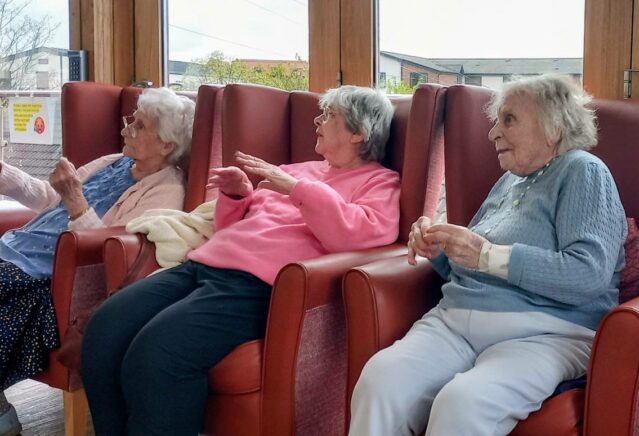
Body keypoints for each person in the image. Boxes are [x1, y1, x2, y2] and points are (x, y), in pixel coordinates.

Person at [80, 85, 400, 436]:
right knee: (105, 327)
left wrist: (295, 188)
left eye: (329, 116)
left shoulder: (379, 182)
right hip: (205, 264)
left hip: (256, 286)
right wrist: (236, 197)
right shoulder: (301, 169)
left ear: (358, 133)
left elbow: (362, 234)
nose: (317, 121)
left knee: (158, 353)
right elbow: (232, 229)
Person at [349, 75, 626, 436]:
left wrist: (485, 254)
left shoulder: (583, 171)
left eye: (509, 119)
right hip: (457, 322)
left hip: (546, 331)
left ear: (553, 127)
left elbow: (588, 274)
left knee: (462, 404)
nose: (493, 133)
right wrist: (440, 250)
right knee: (380, 381)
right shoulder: (510, 180)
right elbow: (476, 266)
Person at [0, 87, 193, 435]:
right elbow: (48, 197)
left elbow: (112, 250)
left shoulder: (167, 191)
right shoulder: (112, 162)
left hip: (48, 274)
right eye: (130, 120)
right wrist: (4, 173)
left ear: (167, 145)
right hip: (16, 249)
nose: (126, 130)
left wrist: (76, 201)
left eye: (139, 126)